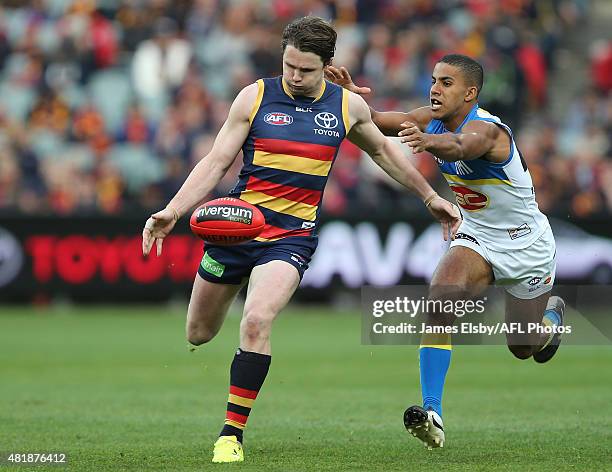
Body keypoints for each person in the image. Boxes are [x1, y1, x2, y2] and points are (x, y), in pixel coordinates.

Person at [141, 17, 461, 463]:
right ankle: (221, 369)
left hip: (290, 237)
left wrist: (430, 196)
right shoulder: (254, 96)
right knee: (198, 333)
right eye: (289, 65)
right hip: (238, 226)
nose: (294, 76)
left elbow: (384, 152)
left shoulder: (346, 107)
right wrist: (173, 210)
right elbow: (216, 161)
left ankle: (231, 434)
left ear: (327, 65)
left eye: (305, 70)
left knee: (255, 320)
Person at [325, 54, 565, 449]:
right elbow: (376, 120)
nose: (435, 88)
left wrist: (427, 142)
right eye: (435, 79)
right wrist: (350, 98)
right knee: (440, 300)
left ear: (470, 92)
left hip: (529, 248)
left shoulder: (490, 132)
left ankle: (550, 324)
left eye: (447, 83)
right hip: (479, 237)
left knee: (523, 347)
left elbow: (457, 147)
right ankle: (432, 412)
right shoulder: (427, 119)